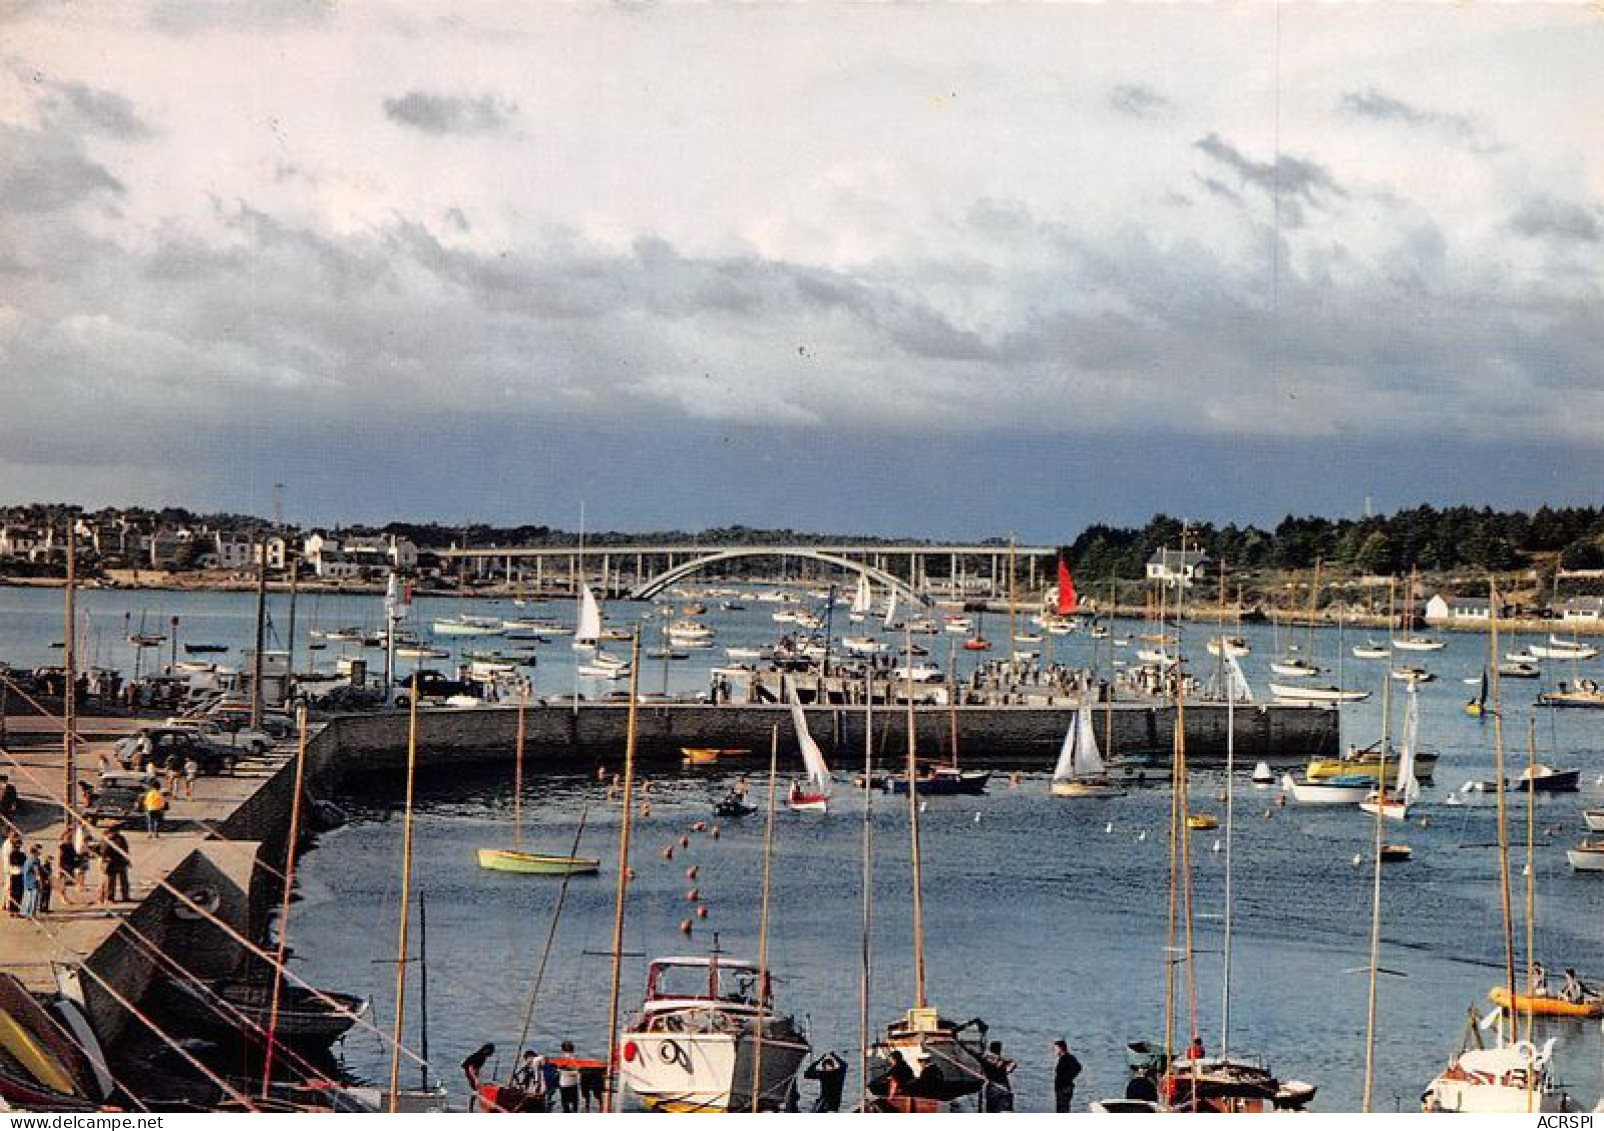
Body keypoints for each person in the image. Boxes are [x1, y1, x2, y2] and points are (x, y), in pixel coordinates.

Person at [980, 1040, 1016, 1112]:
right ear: (1000, 1050)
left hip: (993, 1088)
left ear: (990, 1049)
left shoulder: (985, 1059)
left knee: (991, 1109)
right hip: (1003, 1088)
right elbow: (1011, 1067)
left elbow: (973, 1053)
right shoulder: (1003, 1061)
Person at [98, 827, 131, 904]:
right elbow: (102, 853)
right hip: (110, 863)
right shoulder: (105, 841)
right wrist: (102, 862)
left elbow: (125, 849)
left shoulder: (121, 838)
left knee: (124, 880)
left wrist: (127, 859)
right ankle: (109, 898)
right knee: (110, 882)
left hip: (121, 861)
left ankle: (125, 896)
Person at [461, 1042, 496, 1110]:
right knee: (477, 1090)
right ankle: (472, 1107)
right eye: (491, 1051)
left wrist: (477, 1077)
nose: (492, 1053)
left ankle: (472, 1107)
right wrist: (475, 1078)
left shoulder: (483, 1056)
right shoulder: (480, 1056)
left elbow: (477, 1068)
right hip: (469, 1071)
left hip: (471, 1071)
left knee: (477, 1089)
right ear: (487, 1050)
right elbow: (470, 1067)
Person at [1052, 1039, 1081, 1113]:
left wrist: (1067, 1078)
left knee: (1062, 1110)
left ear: (1060, 1048)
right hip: (1062, 1088)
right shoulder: (1063, 1058)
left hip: (1064, 1089)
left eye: (1055, 1049)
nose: (1054, 1051)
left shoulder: (1067, 1058)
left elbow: (1078, 1067)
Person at [555, 1041, 582, 1113]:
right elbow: (578, 1071)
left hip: (563, 1083)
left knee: (565, 1104)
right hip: (573, 1083)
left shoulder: (561, 1060)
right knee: (574, 1104)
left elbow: (558, 1071)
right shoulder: (576, 1059)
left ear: (562, 1050)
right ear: (573, 1049)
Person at [5, 831, 24, 916]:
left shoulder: (21, 854)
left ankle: (16, 910)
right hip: (14, 874)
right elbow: (13, 863)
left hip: (19, 874)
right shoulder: (12, 854)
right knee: (14, 892)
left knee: (18, 893)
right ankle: (12, 909)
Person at [19, 844, 42, 918]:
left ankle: (25, 912)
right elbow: (37, 872)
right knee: (32, 898)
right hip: (32, 882)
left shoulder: (28, 859)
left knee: (27, 897)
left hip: (27, 881)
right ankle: (30, 914)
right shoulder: (34, 860)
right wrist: (40, 881)